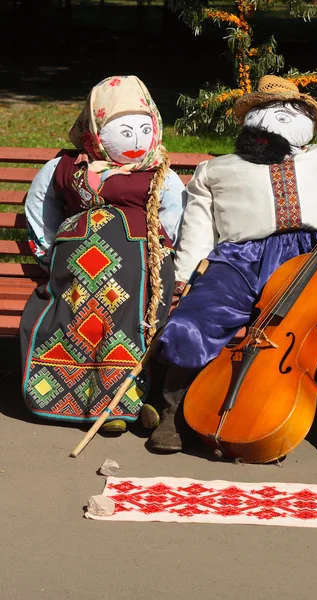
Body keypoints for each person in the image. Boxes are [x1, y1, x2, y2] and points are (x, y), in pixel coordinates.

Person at [151, 75, 317, 459]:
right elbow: (198, 228)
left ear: (310, 124)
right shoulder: (216, 169)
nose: (281, 117)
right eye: (268, 110)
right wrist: (185, 276)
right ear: (250, 119)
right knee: (195, 316)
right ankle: (173, 412)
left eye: (292, 110)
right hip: (243, 258)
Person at [21, 75, 185, 433]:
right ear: (96, 130)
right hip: (75, 273)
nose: (137, 141)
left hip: (143, 270)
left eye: (144, 130)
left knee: (134, 317)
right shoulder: (65, 167)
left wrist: (161, 252)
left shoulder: (161, 173)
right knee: (68, 316)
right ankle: (88, 401)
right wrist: (49, 252)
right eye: (124, 132)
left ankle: (128, 402)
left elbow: (172, 215)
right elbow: (40, 207)